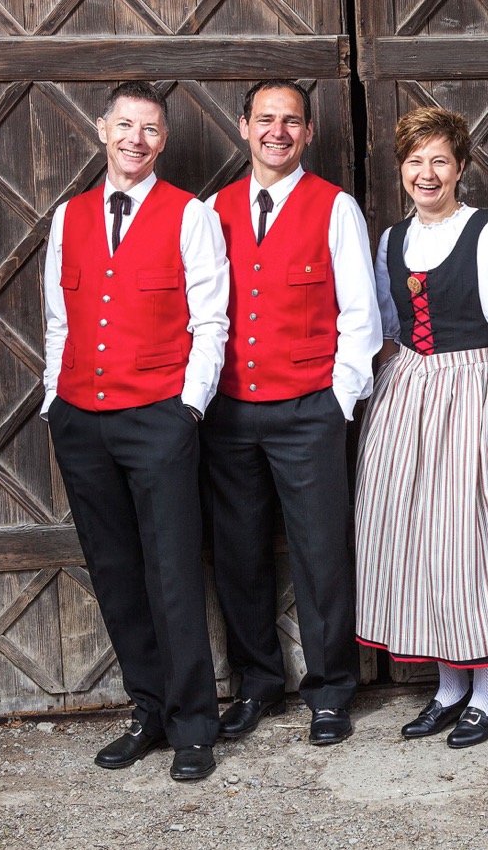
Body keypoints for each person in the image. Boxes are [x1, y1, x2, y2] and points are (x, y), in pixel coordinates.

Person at [41, 81, 229, 781]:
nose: (136, 139)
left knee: (173, 572)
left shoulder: (190, 215)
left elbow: (212, 321)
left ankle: (193, 726)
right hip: (79, 419)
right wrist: (50, 403)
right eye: (125, 125)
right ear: (101, 129)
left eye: (150, 129)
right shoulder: (70, 217)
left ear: (163, 140)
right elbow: (59, 319)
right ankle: (148, 708)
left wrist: (187, 408)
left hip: (158, 417)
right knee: (116, 573)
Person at [354, 106, 488, 749]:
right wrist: (397, 394)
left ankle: (486, 690)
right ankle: (447, 685)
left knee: (469, 540)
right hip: (412, 391)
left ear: (461, 166)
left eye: (439, 159)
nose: (426, 173)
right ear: (401, 170)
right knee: (420, 539)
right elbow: (387, 329)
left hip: (471, 387)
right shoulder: (391, 241)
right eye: (414, 161)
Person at [202, 80, 381, 748]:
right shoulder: (210, 210)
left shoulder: (336, 208)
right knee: (239, 552)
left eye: (292, 121)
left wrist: (337, 400)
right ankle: (256, 682)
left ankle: (331, 690)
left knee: (320, 553)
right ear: (243, 125)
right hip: (230, 411)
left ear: (307, 133)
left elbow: (362, 314)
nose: (278, 131)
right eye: (266, 119)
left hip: (310, 409)